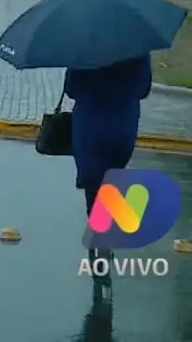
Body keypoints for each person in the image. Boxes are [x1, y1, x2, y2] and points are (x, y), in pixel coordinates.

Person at [63, 55, 152, 274]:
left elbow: (71, 90)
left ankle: (100, 233)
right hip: (123, 123)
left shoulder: (83, 49)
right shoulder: (137, 48)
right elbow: (144, 89)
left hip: (90, 123)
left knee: (93, 180)